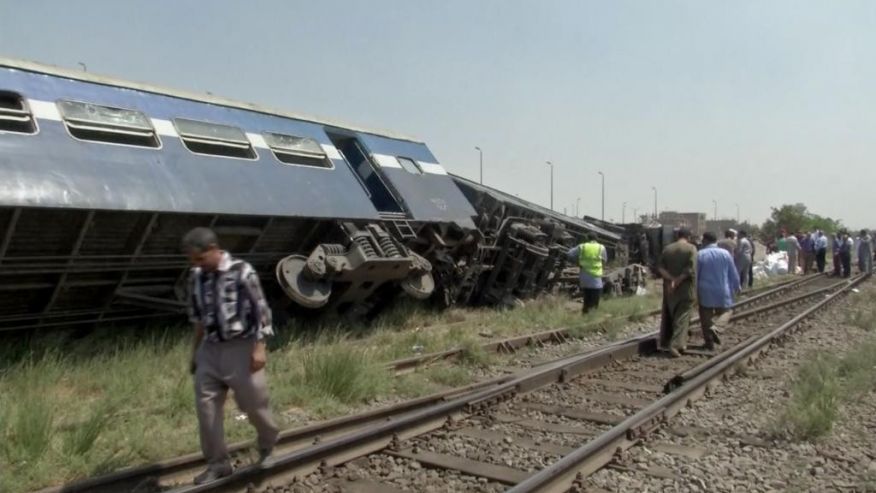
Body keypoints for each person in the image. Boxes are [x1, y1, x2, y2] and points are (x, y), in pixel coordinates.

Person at [183, 227, 279, 484]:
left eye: (200, 258)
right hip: (210, 349)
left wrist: (259, 348)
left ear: (213, 249)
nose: (197, 264)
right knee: (206, 409)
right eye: (193, 260)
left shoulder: (242, 272)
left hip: (242, 347)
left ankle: (267, 444)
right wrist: (195, 353)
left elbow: (261, 311)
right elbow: (198, 320)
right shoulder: (196, 277)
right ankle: (218, 464)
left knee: (254, 404)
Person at [657, 228, 697, 358]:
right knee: (683, 316)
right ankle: (675, 345)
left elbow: (660, 268)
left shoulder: (667, 249)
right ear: (688, 237)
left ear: (677, 236)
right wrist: (678, 280)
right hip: (686, 289)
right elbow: (690, 269)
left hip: (669, 289)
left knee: (672, 316)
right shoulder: (691, 249)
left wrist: (671, 280)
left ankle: (677, 343)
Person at [696, 232, 740, 351]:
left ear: (705, 241)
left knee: (705, 316)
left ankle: (709, 343)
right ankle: (717, 327)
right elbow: (733, 272)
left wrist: (694, 291)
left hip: (705, 290)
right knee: (727, 311)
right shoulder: (725, 254)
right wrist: (737, 285)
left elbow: (696, 274)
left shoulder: (700, 254)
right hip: (722, 289)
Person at [566, 233, 607, 314]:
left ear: (587, 238)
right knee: (595, 299)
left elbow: (569, 254)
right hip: (595, 277)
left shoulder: (582, 246)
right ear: (596, 239)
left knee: (587, 298)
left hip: (584, 276)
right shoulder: (601, 247)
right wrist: (601, 267)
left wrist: (577, 262)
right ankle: (592, 315)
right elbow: (604, 261)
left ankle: (585, 314)